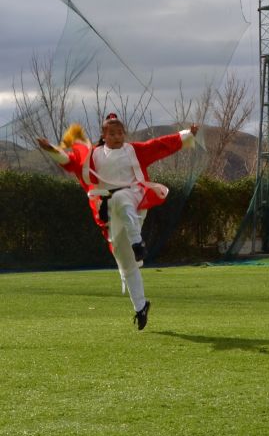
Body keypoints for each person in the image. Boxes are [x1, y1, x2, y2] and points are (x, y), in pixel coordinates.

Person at [38, 113, 199, 331]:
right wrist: (51, 150)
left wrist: (185, 135)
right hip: (109, 208)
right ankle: (141, 307)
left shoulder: (134, 150)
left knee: (122, 199)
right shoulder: (93, 156)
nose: (117, 136)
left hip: (135, 198)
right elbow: (71, 163)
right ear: (104, 135)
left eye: (120, 132)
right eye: (112, 133)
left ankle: (137, 242)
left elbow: (159, 146)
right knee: (126, 264)